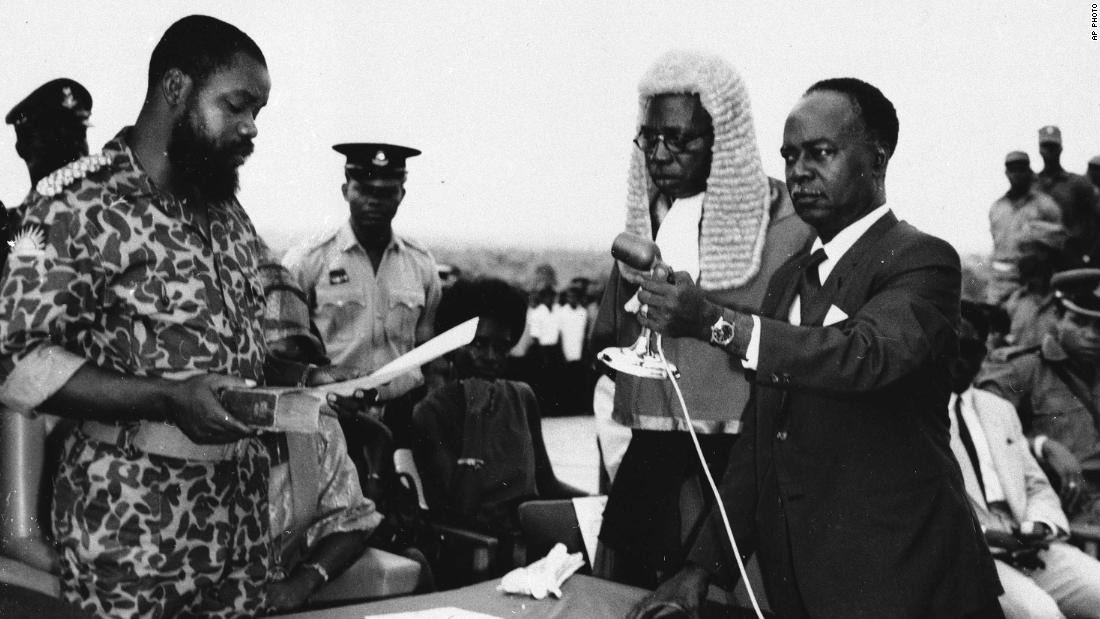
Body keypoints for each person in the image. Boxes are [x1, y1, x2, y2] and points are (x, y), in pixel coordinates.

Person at [629, 77, 1002, 618]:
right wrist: (699, 570)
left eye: (820, 153)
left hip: (909, 586)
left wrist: (714, 322)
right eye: (790, 155)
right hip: (803, 594)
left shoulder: (922, 261)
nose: (799, 170)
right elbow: (758, 449)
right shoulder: (788, 280)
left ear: (877, 159)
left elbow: (865, 355)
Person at [0, 16, 319, 617]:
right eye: (238, 106)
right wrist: (167, 399)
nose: (252, 128)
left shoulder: (223, 212)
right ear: (176, 89)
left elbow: (224, 350)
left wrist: (302, 380)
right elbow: (19, 364)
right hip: (131, 532)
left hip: (238, 530)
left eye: (259, 112)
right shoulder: (77, 203)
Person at [590, 50, 812, 589]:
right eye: (650, 139)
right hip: (651, 454)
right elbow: (608, 340)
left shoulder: (785, 222)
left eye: (680, 140)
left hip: (738, 456)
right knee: (625, 592)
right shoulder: (647, 218)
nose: (660, 155)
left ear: (724, 140)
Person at [411, 279, 585, 569]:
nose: (491, 358)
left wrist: (599, 502)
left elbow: (547, 484)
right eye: (479, 344)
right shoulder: (431, 412)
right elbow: (459, 510)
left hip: (535, 536)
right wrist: (475, 418)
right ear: (454, 345)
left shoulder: (521, 396)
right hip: (483, 550)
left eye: (502, 347)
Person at [283, 143, 442, 447]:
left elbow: (428, 347)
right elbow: (285, 353)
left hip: (402, 418)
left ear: (401, 195)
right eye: (364, 190)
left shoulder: (421, 264)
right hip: (332, 418)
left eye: (385, 192)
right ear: (346, 190)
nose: (374, 202)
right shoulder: (309, 261)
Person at [952, 301, 1100, 619]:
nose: (958, 358)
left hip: (1028, 539)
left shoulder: (996, 409)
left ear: (985, 352)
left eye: (971, 347)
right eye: (949, 346)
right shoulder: (919, 416)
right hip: (974, 552)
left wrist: (1040, 525)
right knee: (1041, 614)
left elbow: (1035, 485)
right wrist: (989, 537)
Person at [0, 78, 93, 575]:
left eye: (77, 135)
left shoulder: (106, 217)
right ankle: (20, 531)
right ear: (22, 145)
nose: (73, 151)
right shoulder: (16, 228)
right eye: (55, 137)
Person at [978, 268, 1100, 527]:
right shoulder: (1022, 369)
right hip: (1065, 506)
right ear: (1057, 316)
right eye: (1079, 322)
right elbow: (981, 428)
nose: (1092, 336)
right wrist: (1041, 445)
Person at [986, 150, 1062, 305]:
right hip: (1000, 282)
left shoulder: (1045, 205)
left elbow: (1058, 242)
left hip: (1032, 282)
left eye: (1021, 169)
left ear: (1029, 171)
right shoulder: (997, 207)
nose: (1017, 174)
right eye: (1013, 170)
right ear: (1007, 173)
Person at [1036, 126, 1100, 268]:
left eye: (1053, 146)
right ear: (1039, 149)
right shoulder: (1032, 185)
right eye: (1045, 146)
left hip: (1071, 260)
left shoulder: (1078, 184)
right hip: (1038, 263)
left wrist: (1089, 256)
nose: (1049, 151)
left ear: (1060, 149)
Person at [1001, 222, 1065, 348]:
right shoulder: (1014, 302)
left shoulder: (1067, 301)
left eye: (1023, 250)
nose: (1017, 257)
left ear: (1044, 253)